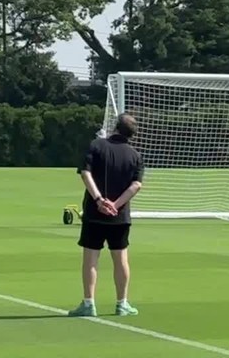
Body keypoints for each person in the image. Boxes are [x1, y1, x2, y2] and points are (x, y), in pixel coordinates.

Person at [68, 112, 144, 318]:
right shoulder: (135, 155)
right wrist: (115, 205)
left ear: (115, 127)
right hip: (120, 216)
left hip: (94, 213)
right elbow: (136, 185)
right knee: (121, 259)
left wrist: (100, 200)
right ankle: (122, 303)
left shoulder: (96, 145)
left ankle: (89, 302)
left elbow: (85, 173)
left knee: (91, 258)